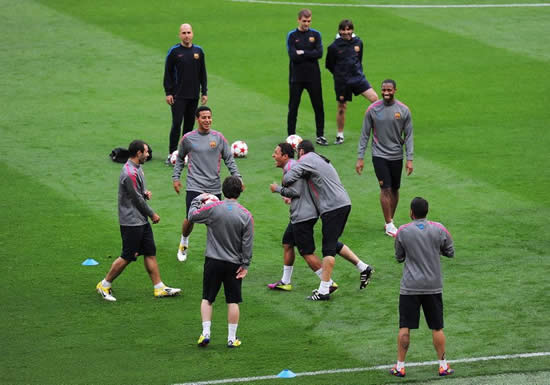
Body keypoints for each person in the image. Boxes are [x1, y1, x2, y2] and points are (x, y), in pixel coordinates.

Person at [282, 140, 374, 301]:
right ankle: (364, 267)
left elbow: (288, 177)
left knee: (328, 249)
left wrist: (280, 186)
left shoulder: (306, 159)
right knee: (332, 241)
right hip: (342, 203)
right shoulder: (318, 158)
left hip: (333, 207)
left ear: (301, 151)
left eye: (298, 153)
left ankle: (324, 290)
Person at [96, 140, 181, 302]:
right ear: (138, 153)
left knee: (150, 252)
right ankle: (104, 284)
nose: (149, 155)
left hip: (139, 220)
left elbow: (137, 193)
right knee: (127, 256)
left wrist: (144, 192)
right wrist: (152, 214)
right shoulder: (130, 173)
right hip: (131, 221)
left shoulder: (137, 168)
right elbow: (136, 200)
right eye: (146, 152)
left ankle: (159, 287)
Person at [390, 197, 455, 377]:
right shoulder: (439, 229)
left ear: (411, 212)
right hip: (433, 286)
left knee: (405, 327)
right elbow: (450, 251)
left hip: (410, 286)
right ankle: (443, 365)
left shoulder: (402, 231)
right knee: (437, 327)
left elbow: (399, 257)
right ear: (427, 211)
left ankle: (400, 366)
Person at [188, 176, 253, 348]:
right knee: (233, 301)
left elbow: (191, 216)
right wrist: (245, 265)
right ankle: (232, 338)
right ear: (240, 192)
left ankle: (206, 333)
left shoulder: (212, 208)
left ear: (223, 190)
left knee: (207, 298)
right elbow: (247, 244)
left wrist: (198, 198)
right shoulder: (246, 215)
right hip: (234, 264)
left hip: (213, 261)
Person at [172, 106, 242, 262]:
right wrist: (176, 178)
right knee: (190, 218)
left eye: (209, 117)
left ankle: (217, 250)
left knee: (216, 220)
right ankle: (184, 241)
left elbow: (229, 159)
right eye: (203, 117)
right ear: (197, 119)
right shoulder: (188, 138)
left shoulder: (218, 138)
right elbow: (180, 158)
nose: (207, 120)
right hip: (194, 185)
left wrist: (237, 177)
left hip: (214, 187)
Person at [268, 142, 337, 292]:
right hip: (300, 214)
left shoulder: (291, 168)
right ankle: (285, 281)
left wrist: (277, 189)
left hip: (303, 216)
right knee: (287, 243)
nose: (273, 155)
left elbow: (296, 191)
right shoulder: (292, 166)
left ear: (285, 156)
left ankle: (328, 282)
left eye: (276, 153)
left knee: (306, 252)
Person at [356, 79, 413, 237]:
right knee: (385, 188)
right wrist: (360, 158)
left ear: (395, 90)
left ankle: (390, 220)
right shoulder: (373, 109)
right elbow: (364, 135)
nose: (386, 93)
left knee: (395, 189)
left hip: (396, 155)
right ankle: (389, 223)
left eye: (389, 90)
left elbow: (408, 136)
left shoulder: (403, 110)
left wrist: (409, 159)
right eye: (384, 90)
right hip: (379, 155)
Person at [326, 19, 378, 145]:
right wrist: (339, 75)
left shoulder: (358, 42)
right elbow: (329, 65)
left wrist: (357, 72)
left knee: (375, 99)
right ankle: (340, 135)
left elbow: (359, 60)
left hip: (358, 79)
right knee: (342, 107)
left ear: (352, 30)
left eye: (348, 29)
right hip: (342, 81)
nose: (346, 32)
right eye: (343, 30)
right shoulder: (333, 47)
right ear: (339, 31)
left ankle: (377, 131)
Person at [164, 23, 208, 164]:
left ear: (192, 34)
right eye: (184, 33)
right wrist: (168, 92)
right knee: (177, 124)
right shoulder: (174, 51)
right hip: (178, 96)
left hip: (193, 95)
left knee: (189, 127)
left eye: (188, 32)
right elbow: (168, 73)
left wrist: (204, 92)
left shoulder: (199, 51)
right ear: (179, 35)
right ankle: (171, 153)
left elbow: (203, 73)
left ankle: (185, 154)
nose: (186, 35)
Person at [286, 9, 328, 146]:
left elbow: (320, 53)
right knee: (293, 107)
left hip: (313, 77)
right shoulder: (292, 36)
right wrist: (310, 53)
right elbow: (293, 56)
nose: (306, 24)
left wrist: (302, 52)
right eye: (304, 21)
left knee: (318, 106)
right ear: (298, 20)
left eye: (309, 21)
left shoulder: (316, 34)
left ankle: (320, 135)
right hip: (296, 77)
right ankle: (290, 136)